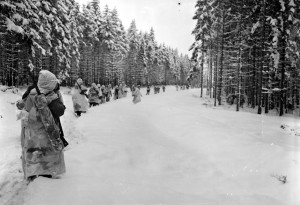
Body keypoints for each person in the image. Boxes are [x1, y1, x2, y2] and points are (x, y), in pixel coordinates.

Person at [17, 70, 66, 181]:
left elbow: (26, 108)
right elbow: (59, 111)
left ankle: (33, 173)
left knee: (34, 152)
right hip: (47, 132)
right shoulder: (52, 96)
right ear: (50, 84)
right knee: (47, 153)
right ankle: (46, 174)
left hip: (33, 132)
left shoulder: (31, 94)